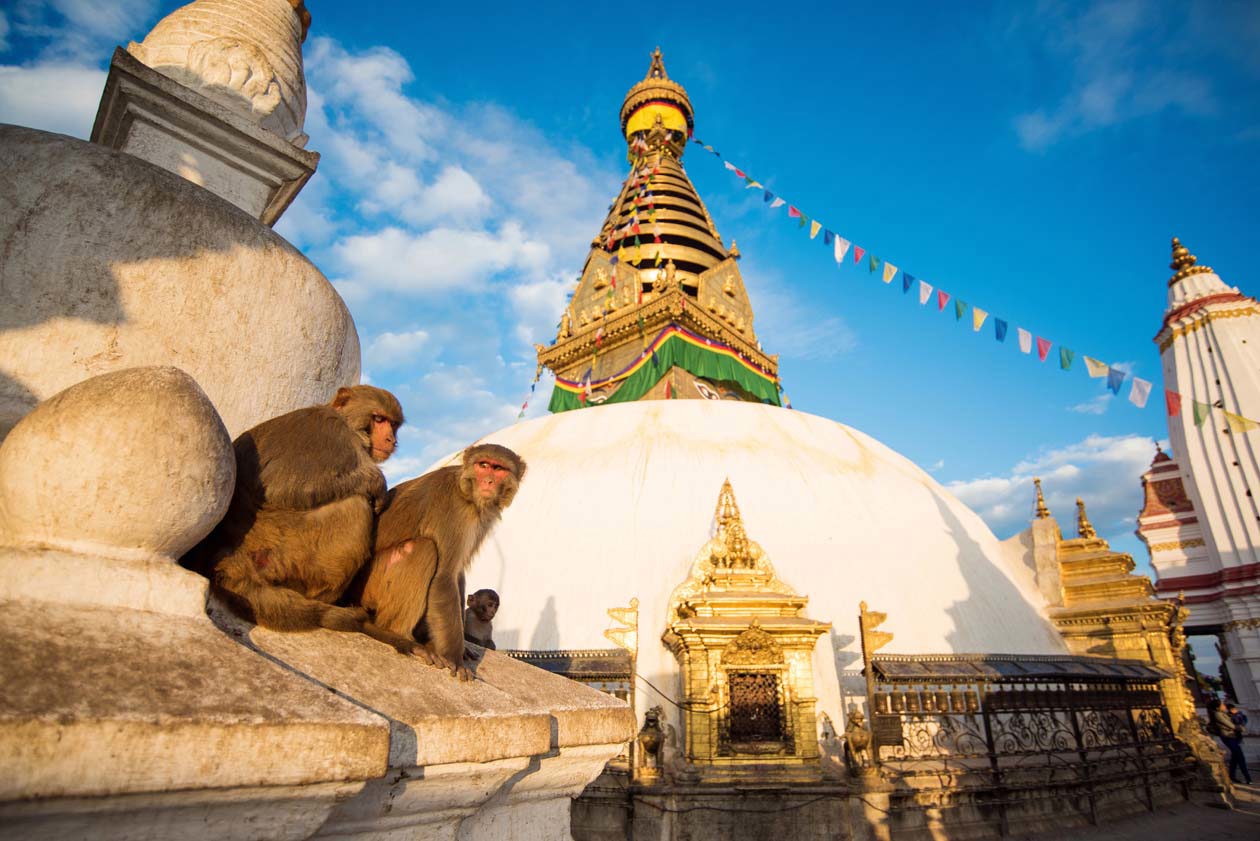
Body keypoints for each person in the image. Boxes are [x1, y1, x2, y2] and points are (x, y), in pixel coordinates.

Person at [1209, 697, 1252, 785]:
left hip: (1232, 737)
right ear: (1218, 707)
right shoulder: (1218, 715)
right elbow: (1231, 725)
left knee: (1235, 757)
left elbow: (1237, 719)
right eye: (1222, 705)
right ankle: (1248, 778)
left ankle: (1232, 776)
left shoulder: (1223, 713)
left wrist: (1236, 714)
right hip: (1228, 737)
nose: (1224, 706)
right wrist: (1241, 728)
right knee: (1240, 757)